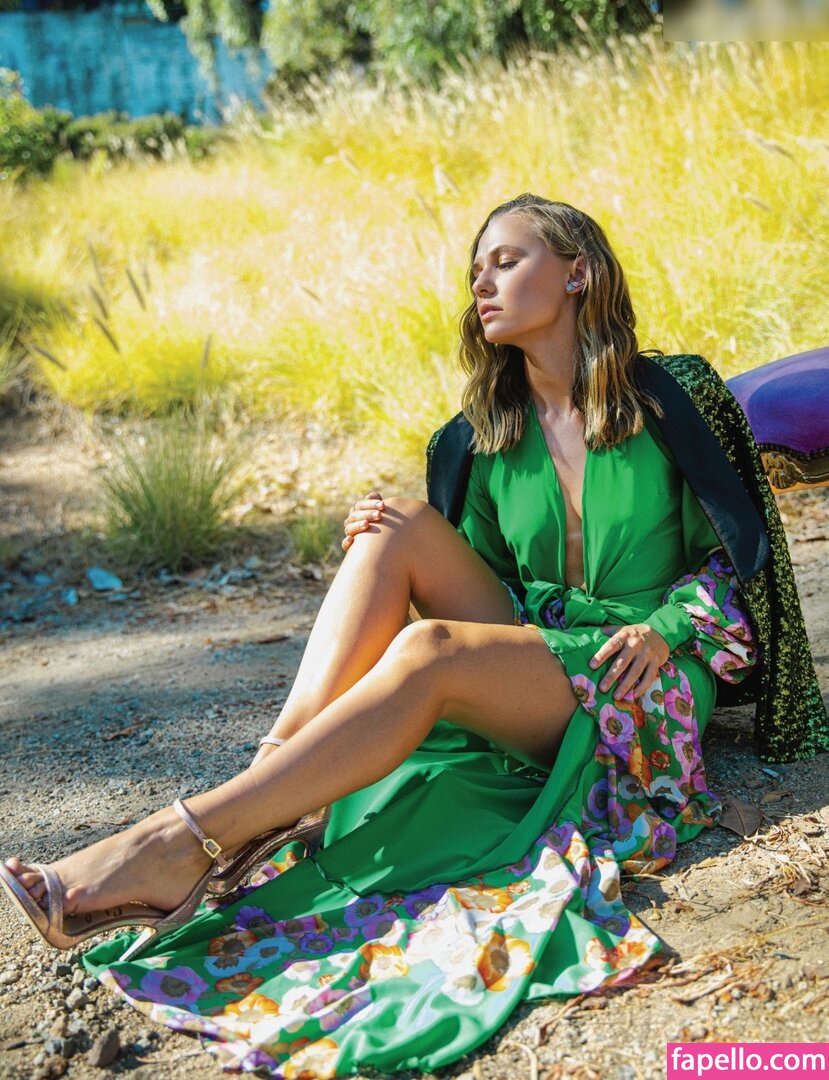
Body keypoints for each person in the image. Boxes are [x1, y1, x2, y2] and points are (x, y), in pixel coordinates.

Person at [1, 194, 824, 1078]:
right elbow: (483, 590)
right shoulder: (482, 432)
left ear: (577, 272)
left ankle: (181, 843)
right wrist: (398, 544)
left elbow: (741, 558)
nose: (482, 282)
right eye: (475, 269)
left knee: (428, 654)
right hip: (543, 650)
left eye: (506, 260)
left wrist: (663, 630)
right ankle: (272, 781)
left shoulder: (671, 395)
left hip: (640, 672)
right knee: (389, 522)